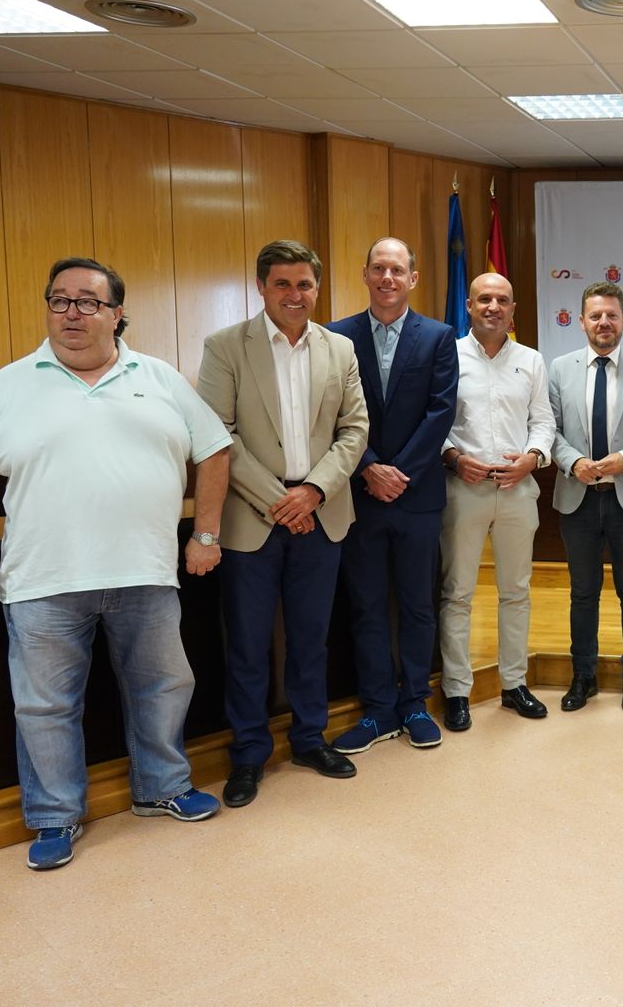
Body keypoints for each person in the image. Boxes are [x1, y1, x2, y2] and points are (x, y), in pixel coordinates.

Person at [0, 257, 229, 870]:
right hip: (43, 580)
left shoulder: (161, 378)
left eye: (88, 301)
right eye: (60, 300)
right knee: (43, 706)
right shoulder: (9, 384)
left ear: (118, 314)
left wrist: (205, 533)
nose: (72, 312)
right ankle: (53, 818)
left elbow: (215, 451)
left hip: (145, 573)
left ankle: (163, 788)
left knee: (165, 686)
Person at [195, 239, 368, 808]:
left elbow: (354, 431)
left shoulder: (340, 349)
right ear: (262, 287)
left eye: (305, 284)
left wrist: (314, 491)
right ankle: (248, 754)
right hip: (253, 518)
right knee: (246, 643)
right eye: (282, 284)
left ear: (318, 288)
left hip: (321, 516)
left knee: (310, 638)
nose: (295, 295)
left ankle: (308, 738)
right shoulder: (225, 347)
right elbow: (218, 432)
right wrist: (279, 499)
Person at [328, 238, 458, 753]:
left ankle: (414, 704)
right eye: (378, 268)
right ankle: (378, 710)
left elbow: (440, 411)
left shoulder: (440, 336)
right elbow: (334, 414)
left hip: (417, 494)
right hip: (359, 495)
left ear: (413, 278)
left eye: (397, 270)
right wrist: (368, 468)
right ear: (365, 274)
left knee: (417, 605)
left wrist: (396, 471)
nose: (387, 278)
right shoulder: (338, 337)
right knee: (366, 606)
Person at [437, 272, 555, 730]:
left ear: (513, 309)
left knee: (516, 592)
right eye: (484, 298)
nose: (493, 306)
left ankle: (514, 684)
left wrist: (532, 457)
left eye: (502, 300)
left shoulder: (531, 360)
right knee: (458, 593)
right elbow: (435, 420)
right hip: (463, 489)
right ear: (469, 305)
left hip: (516, 490)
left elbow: (543, 421)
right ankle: (457, 690)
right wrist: (452, 457)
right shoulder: (447, 356)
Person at [548, 281, 623, 713]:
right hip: (576, 497)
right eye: (595, 315)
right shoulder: (558, 369)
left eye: (611, 315)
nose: (603, 323)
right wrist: (573, 461)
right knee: (583, 592)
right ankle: (584, 676)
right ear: (581, 321)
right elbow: (548, 430)